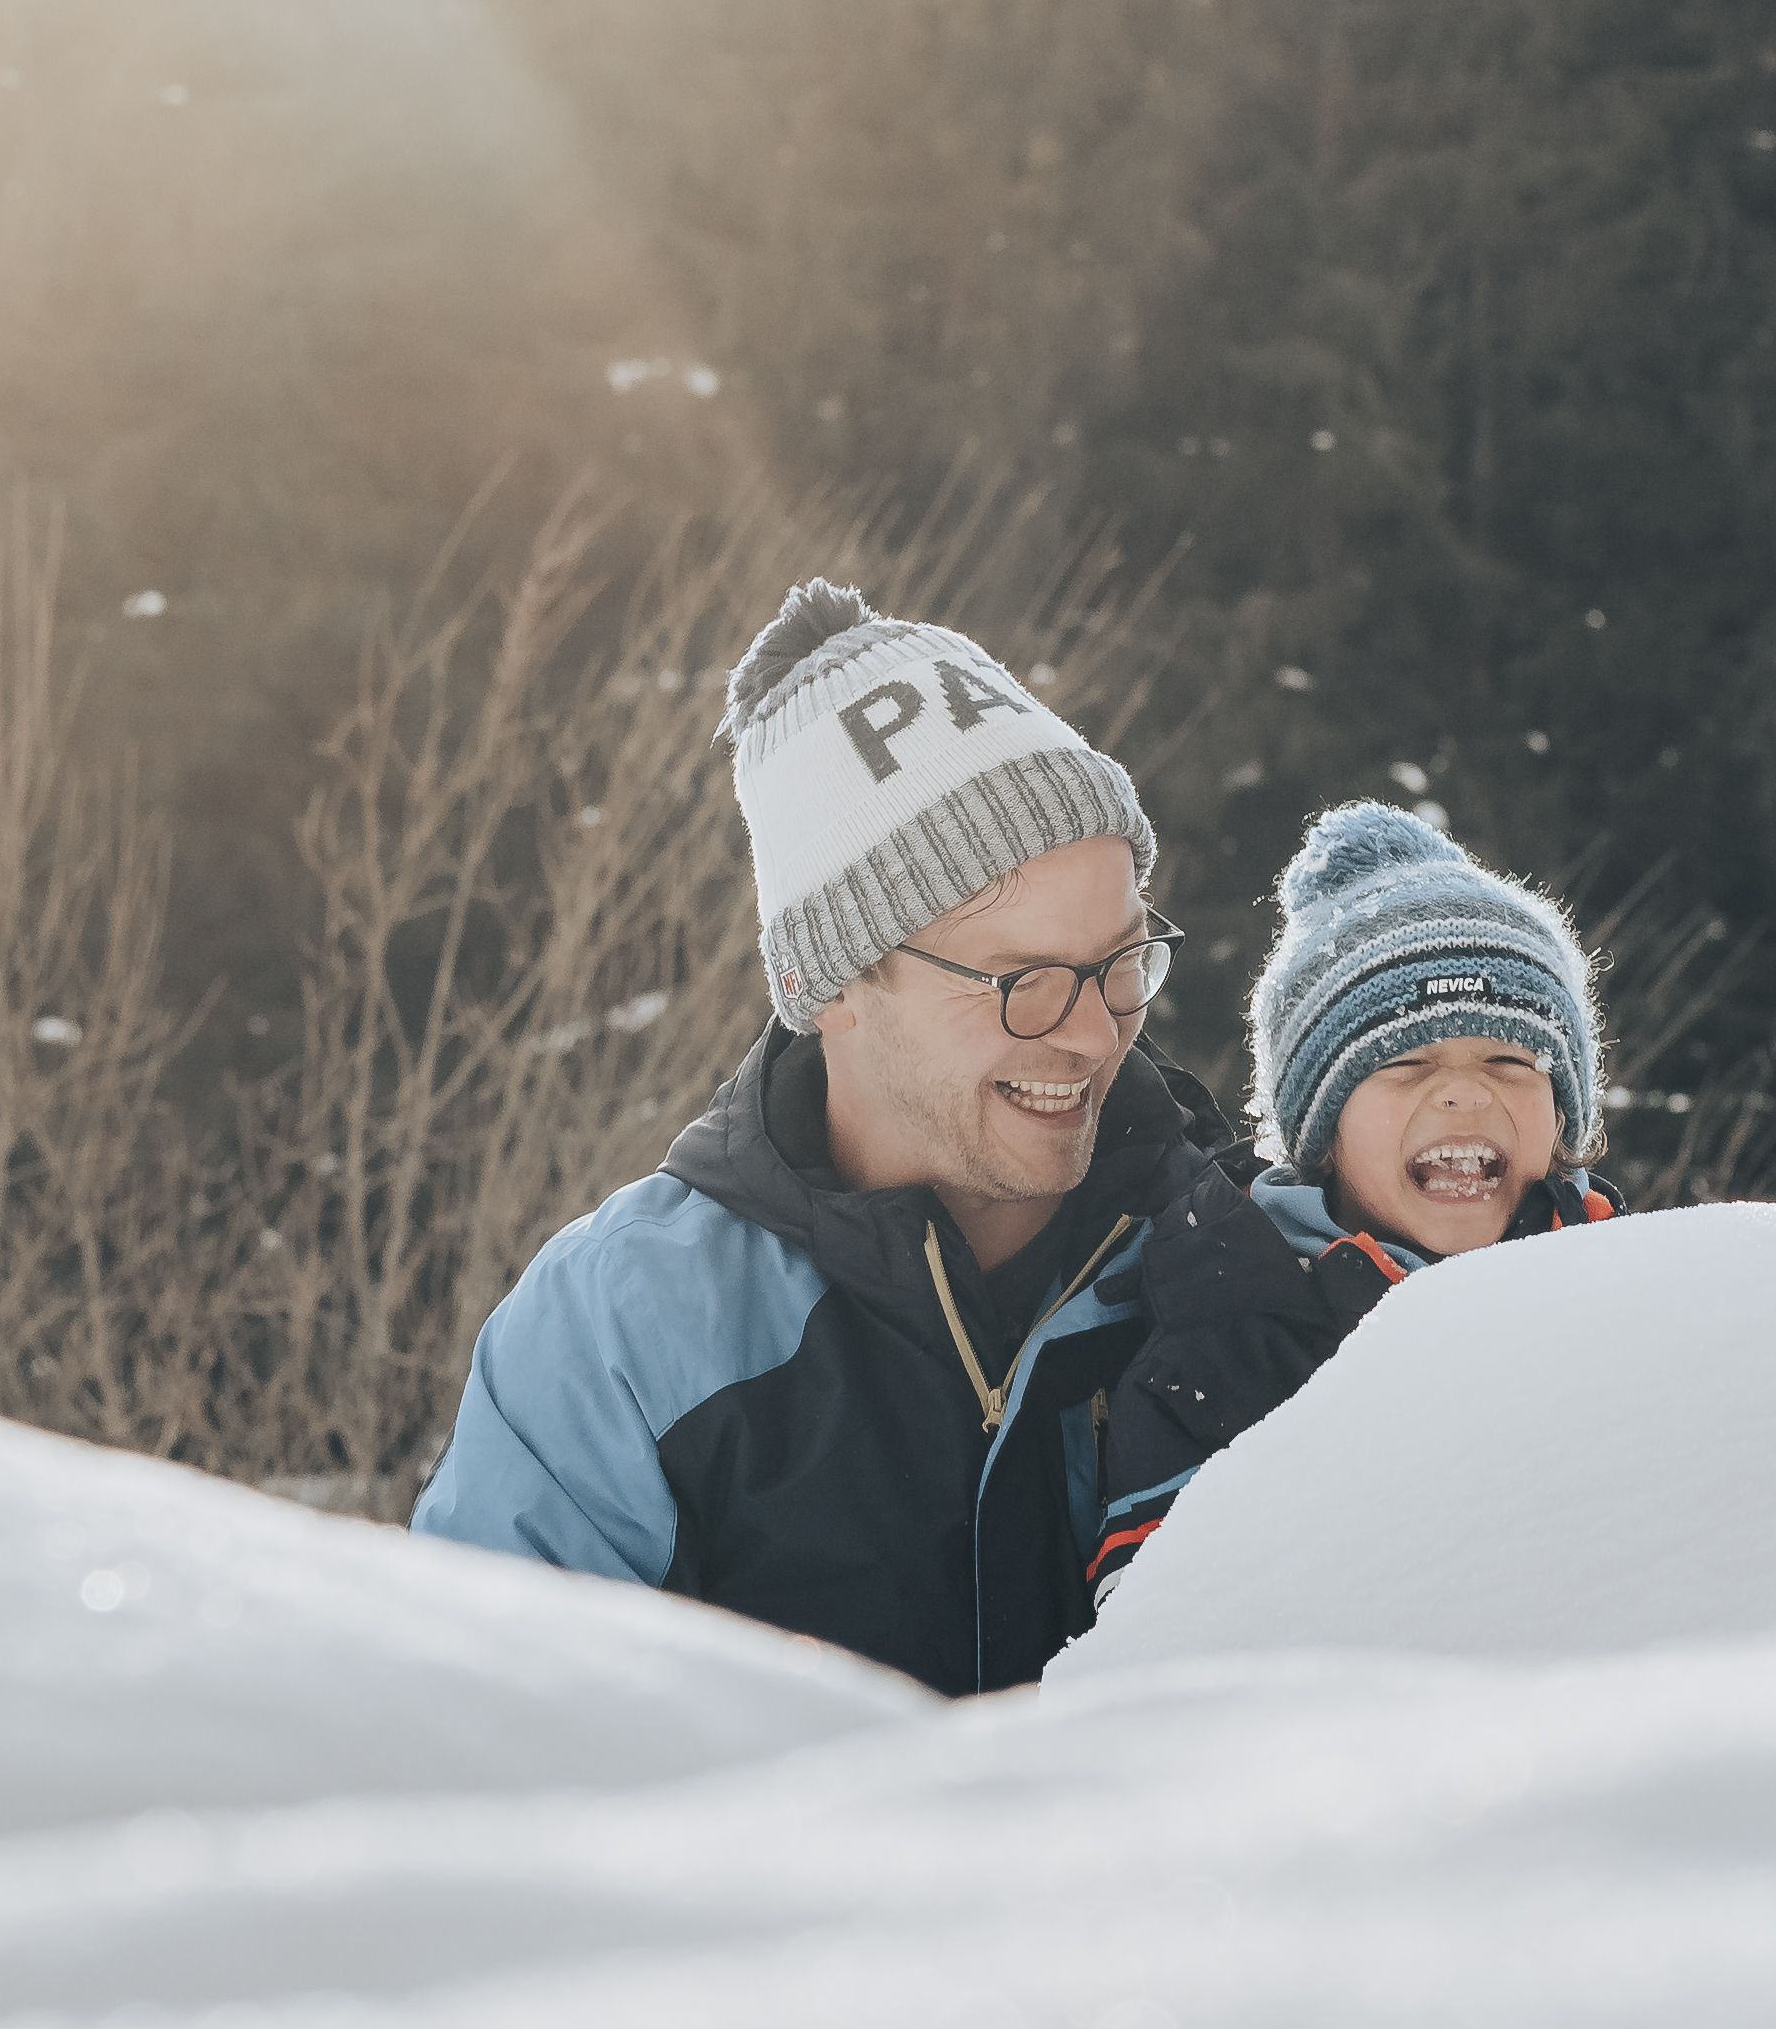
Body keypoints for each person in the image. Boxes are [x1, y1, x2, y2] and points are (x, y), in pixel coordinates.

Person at [412, 580, 1228, 1694]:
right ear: (832, 984)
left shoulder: (1240, 1265)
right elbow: (490, 1741)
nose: (1093, 1032)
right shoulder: (620, 1336)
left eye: (1122, 960)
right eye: (1019, 980)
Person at [1081, 804, 1618, 1610]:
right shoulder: (1223, 1343)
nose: (1463, 1093)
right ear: (1320, 1126)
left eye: (1511, 1058)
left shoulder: (1629, 1293)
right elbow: (1166, 1632)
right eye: (1404, 1062)